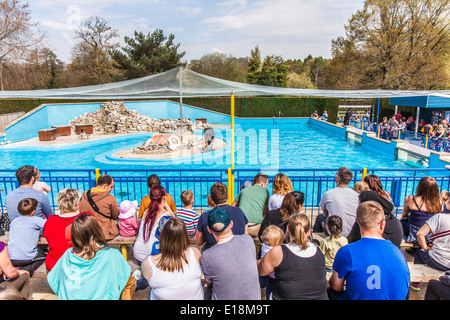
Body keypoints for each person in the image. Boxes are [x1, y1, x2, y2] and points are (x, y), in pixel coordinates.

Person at [329, 201, 410, 300]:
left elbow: (336, 286)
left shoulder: (347, 252)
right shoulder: (398, 253)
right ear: (382, 224)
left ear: (357, 221)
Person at [47, 214, 134, 300]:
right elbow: (124, 277)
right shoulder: (112, 255)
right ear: (97, 231)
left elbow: (55, 281)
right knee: (132, 281)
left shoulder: (68, 255)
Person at [258, 213, 328, 300]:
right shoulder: (318, 250)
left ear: (287, 229)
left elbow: (261, 271)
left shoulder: (279, 252)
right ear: (309, 232)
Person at [201, 207, 261, 300]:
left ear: (209, 230)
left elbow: (209, 282)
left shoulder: (207, 255)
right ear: (231, 224)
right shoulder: (248, 240)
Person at [140, 217, 203, 300]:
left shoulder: (148, 263)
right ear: (185, 236)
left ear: (162, 237)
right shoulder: (195, 253)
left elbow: (145, 282)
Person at [43, 188, 94, 271]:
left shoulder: (51, 221)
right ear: (77, 204)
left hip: (55, 265)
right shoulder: (86, 218)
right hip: (80, 264)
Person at [197, 182, 248, 250]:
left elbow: (198, 242)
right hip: (237, 252)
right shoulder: (239, 211)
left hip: (213, 256)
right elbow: (246, 234)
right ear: (227, 196)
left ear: (211, 199)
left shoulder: (204, 216)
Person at [133, 185, 174, 264]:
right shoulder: (166, 216)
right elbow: (177, 224)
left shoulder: (146, 211)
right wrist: (167, 207)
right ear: (164, 197)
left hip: (138, 254)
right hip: (151, 256)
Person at [314, 167, 359, 237]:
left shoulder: (328, 194)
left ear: (337, 179)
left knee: (320, 217)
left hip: (334, 231)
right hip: (352, 233)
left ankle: (317, 240)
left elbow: (325, 212)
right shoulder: (357, 196)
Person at [411, 213, 450, 291]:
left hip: (438, 260)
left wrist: (425, 248)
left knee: (419, 250)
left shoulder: (440, 217)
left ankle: (416, 283)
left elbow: (420, 234)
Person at [8, 198, 46, 277]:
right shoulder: (36, 220)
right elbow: (50, 226)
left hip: (11, 257)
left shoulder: (14, 222)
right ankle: (28, 269)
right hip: (27, 258)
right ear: (33, 211)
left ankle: (20, 268)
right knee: (44, 256)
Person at [401, 176, 442, 243]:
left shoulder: (410, 199)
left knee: (401, 222)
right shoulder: (439, 202)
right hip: (430, 232)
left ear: (420, 187)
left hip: (414, 232)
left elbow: (404, 214)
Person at [79, 174, 120, 240]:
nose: (112, 189)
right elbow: (115, 216)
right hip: (103, 233)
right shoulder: (110, 198)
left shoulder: (84, 196)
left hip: (86, 232)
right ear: (105, 186)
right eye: (111, 187)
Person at [232, 173, 269, 238]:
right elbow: (265, 212)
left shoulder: (243, 191)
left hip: (242, 226)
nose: (266, 187)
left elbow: (232, 206)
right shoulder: (266, 192)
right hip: (256, 227)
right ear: (262, 184)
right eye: (266, 185)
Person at [259, 225, 285, 300]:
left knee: (267, 289)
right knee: (271, 291)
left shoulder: (264, 245)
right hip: (274, 275)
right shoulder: (274, 250)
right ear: (276, 244)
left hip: (266, 272)